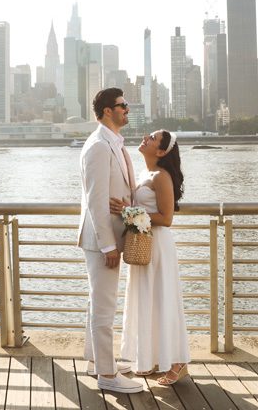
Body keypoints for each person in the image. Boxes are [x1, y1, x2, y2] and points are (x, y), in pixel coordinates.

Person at [77, 88, 144, 394]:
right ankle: (107, 374)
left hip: (113, 236)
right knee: (104, 307)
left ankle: (95, 362)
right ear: (107, 111)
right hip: (102, 241)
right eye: (123, 105)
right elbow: (95, 200)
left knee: (98, 302)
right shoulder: (98, 147)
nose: (127, 109)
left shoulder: (114, 143)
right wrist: (108, 245)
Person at [112, 129, 190, 386]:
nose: (146, 137)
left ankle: (178, 363)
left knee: (162, 299)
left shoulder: (161, 176)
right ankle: (149, 358)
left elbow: (166, 219)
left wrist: (128, 212)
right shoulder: (144, 173)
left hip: (158, 245)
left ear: (161, 151)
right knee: (146, 299)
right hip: (143, 242)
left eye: (153, 138)